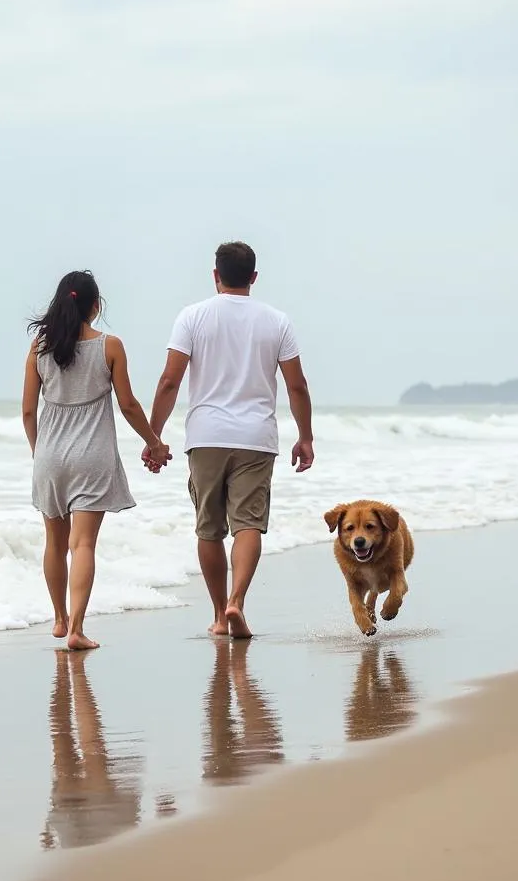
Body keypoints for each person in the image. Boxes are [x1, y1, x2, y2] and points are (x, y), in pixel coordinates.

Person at [144, 241, 314, 639]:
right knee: (248, 524)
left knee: (209, 529)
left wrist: (154, 437)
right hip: (257, 437)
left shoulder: (192, 317)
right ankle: (238, 599)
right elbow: (297, 386)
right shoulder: (277, 321)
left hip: (206, 436)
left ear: (215, 275)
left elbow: (170, 381)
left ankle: (220, 615)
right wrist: (305, 437)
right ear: (254, 277)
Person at [23, 270, 171, 651]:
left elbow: (27, 412)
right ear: (95, 305)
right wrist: (154, 443)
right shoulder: (110, 346)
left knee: (54, 543)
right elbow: (129, 405)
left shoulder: (39, 348)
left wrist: (40, 455)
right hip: (93, 456)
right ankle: (76, 628)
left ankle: (58, 619)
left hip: (49, 456)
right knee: (83, 544)